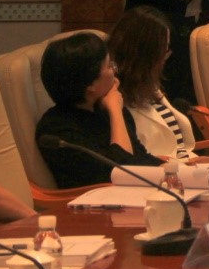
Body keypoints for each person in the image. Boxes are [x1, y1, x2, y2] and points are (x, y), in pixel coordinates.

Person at [36, 33, 161, 189]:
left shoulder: (102, 109)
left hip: (137, 193)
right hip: (99, 200)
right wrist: (115, 111)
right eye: (109, 66)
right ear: (91, 85)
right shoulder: (57, 130)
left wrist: (175, 171)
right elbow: (121, 171)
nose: (115, 70)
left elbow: (140, 157)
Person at [109, 6, 196, 160]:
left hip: (183, 165)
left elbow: (179, 147)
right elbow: (132, 159)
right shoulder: (114, 97)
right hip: (158, 171)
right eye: (163, 50)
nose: (165, 58)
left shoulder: (147, 86)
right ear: (144, 54)